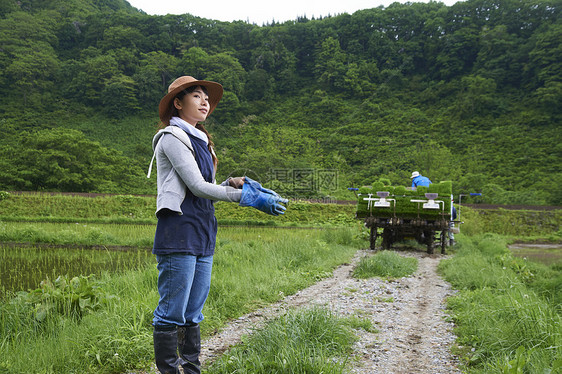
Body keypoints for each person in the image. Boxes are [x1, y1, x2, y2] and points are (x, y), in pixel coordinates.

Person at [147, 75, 287, 374]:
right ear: (177, 103)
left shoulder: (202, 141)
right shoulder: (173, 138)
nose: (205, 101)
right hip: (179, 232)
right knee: (172, 313)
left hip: (203, 231)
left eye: (206, 97)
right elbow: (197, 187)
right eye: (196, 96)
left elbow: (204, 188)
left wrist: (231, 183)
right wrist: (243, 197)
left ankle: (192, 370)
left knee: (192, 314)